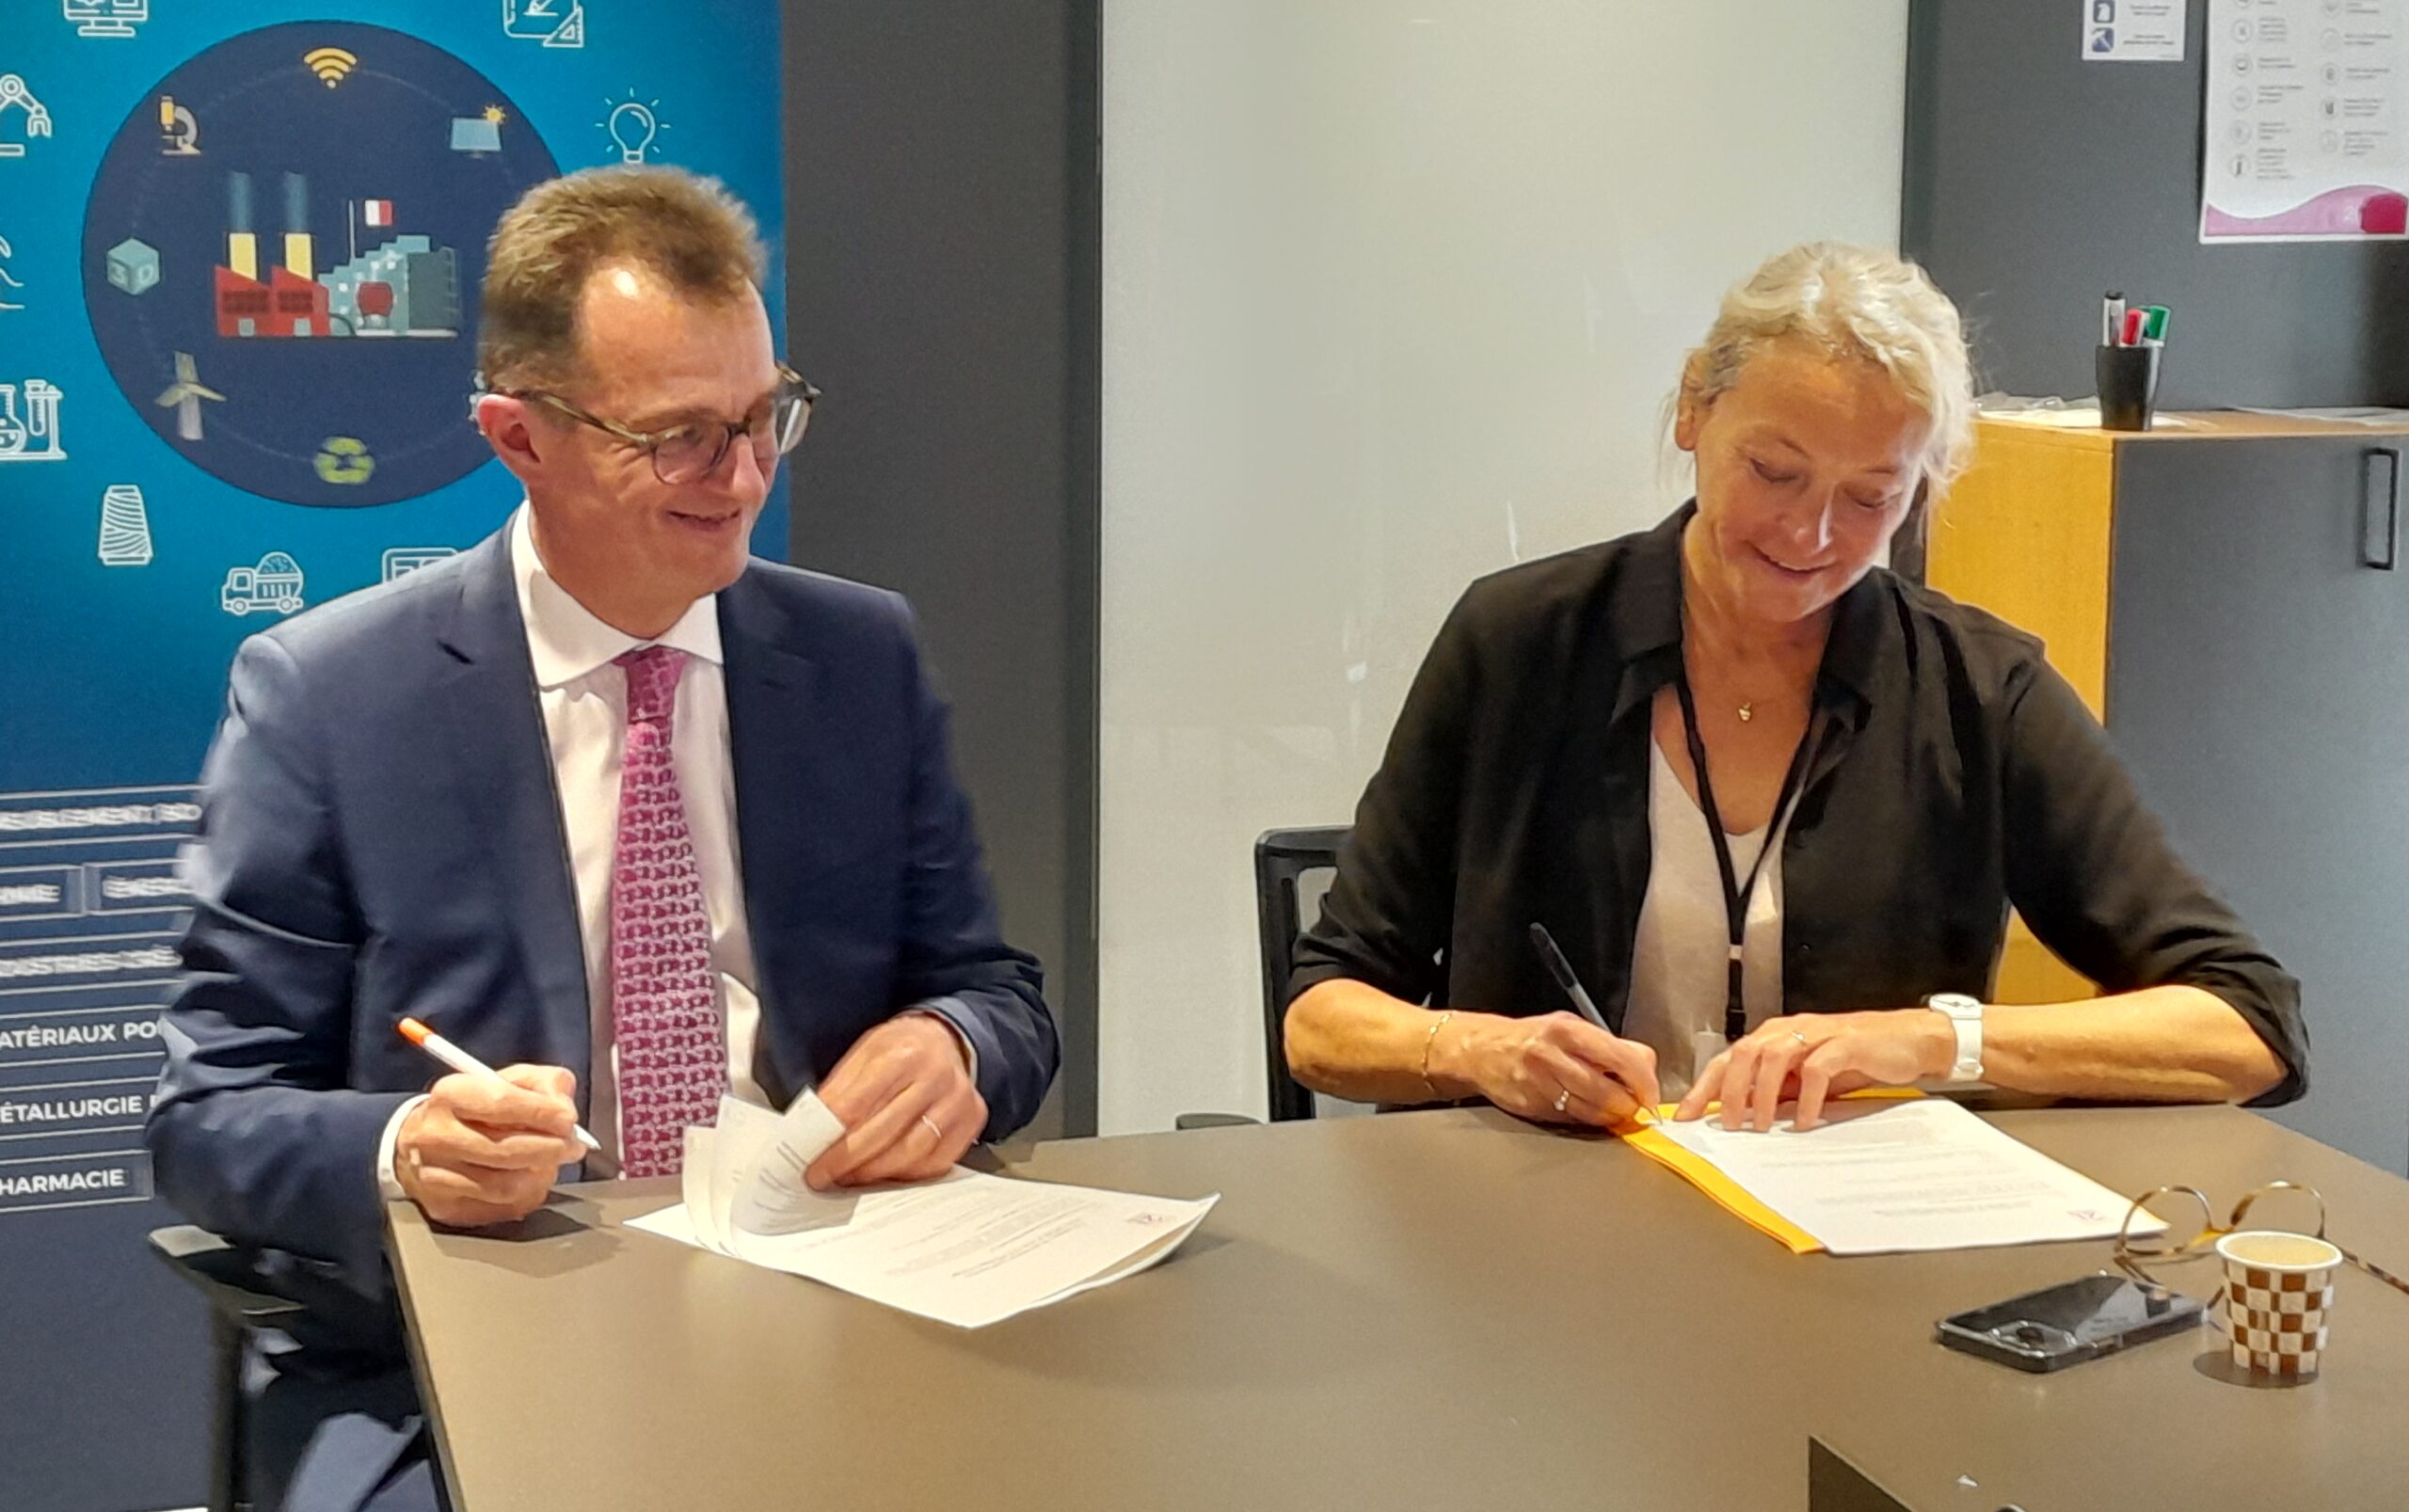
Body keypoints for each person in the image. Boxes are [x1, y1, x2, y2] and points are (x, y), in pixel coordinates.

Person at [148, 167, 1059, 1512]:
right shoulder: (333, 698)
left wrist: (957, 1049)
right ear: (518, 437)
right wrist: (407, 1148)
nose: (742, 477)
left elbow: (996, 994)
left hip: (837, 1304)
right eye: (681, 436)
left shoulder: (857, 657)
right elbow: (209, 1118)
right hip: (472, 1345)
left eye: (763, 416)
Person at [1284, 242, 2305, 1136]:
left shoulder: (1978, 690)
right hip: (1543, 1229)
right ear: (1694, 409)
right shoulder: (1518, 642)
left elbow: (2248, 1024)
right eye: (1774, 472)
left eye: (1871, 498)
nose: (1811, 536)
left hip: (1850, 1247)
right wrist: (1478, 1050)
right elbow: (1323, 1015)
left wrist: (1931, 1042)